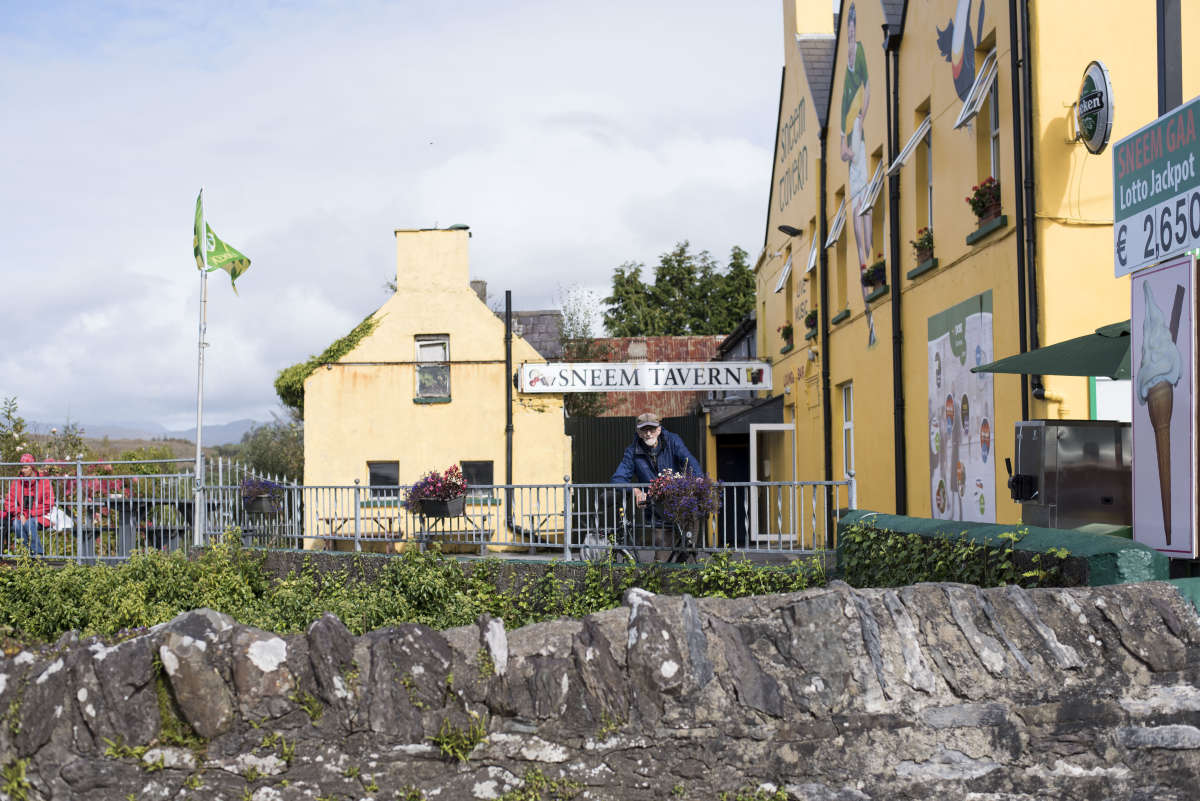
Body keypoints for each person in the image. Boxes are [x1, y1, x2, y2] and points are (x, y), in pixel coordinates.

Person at [610, 413, 704, 561]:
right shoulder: (632, 451)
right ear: (638, 432)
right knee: (661, 560)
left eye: (652, 429)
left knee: (688, 553)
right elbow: (617, 479)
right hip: (658, 512)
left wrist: (698, 478)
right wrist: (635, 491)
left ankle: (686, 563)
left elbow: (689, 460)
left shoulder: (673, 441)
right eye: (644, 429)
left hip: (682, 506)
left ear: (659, 429)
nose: (648, 433)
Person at [5, 454, 50, 556]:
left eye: (26, 467)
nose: (23, 470)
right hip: (21, 515)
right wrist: (20, 513)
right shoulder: (17, 482)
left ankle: (38, 554)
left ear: (32, 468)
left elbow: (48, 504)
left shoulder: (44, 481)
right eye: (22, 467)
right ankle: (26, 554)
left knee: (29, 523)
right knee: (17, 524)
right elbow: (9, 502)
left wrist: (29, 514)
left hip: (41, 516)